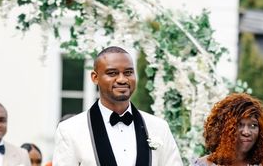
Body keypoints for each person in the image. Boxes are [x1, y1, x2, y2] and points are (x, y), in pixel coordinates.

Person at [53, 46, 183, 166]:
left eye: (128, 72)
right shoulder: (70, 130)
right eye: (112, 73)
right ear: (95, 77)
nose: (122, 79)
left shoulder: (159, 127)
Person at [193, 93, 263, 166]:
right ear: (222, 129)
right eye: (239, 125)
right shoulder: (205, 164)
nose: (246, 132)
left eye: (253, 125)